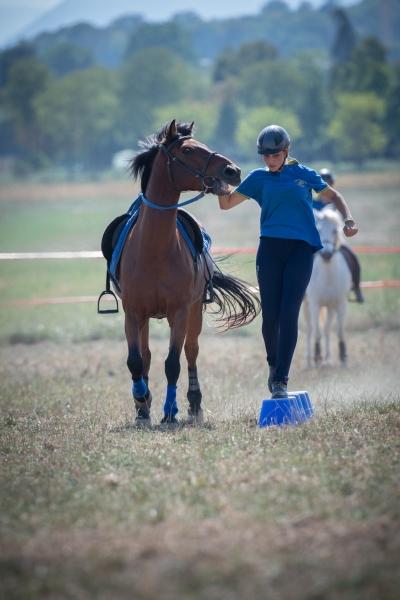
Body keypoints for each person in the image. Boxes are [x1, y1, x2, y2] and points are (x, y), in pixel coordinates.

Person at [218, 125, 358, 398]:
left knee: (289, 312)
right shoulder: (258, 178)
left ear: (285, 152)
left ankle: (282, 378)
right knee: (270, 315)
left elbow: (335, 197)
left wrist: (349, 220)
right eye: (265, 156)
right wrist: (219, 184)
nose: (269, 160)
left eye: (274, 155)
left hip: (301, 250)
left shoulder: (304, 175)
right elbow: (226, 204)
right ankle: (273, 365)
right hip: (270, 249)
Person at [314, 168, 364, 303]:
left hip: (335, 241)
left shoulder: (336, 204)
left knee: (351, 257)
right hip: (316, 241)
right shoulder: (312, 204)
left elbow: (342, 221)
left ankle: (356, 288)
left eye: (328, 183)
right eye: (323, 183)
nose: (325, 187)